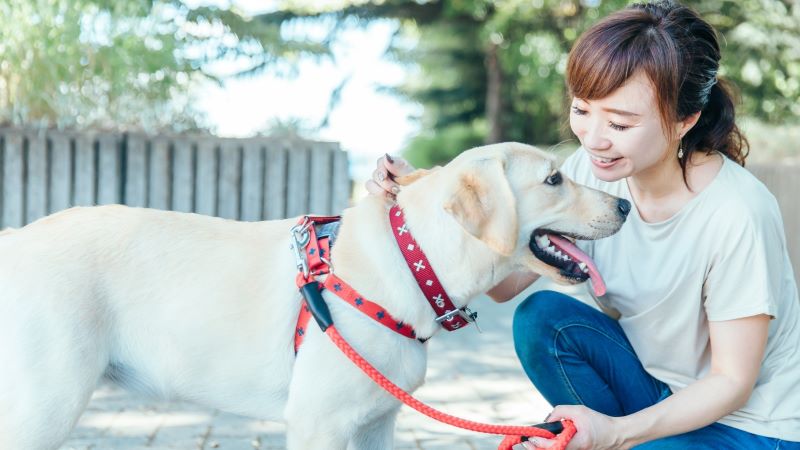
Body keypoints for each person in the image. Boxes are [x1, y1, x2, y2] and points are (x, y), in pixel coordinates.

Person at [366, 1, 800, 449]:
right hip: (657, 392)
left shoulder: (737, 213)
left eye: (619, 122)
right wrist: (430, 195)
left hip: (750, 426)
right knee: (542, 318)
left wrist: (614, 432)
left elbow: (732, 382)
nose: (593, 138)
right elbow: (503, 283)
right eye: (582, 110)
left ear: (684, 121)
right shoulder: (593, 170)